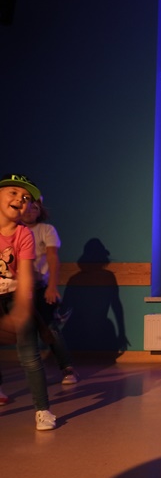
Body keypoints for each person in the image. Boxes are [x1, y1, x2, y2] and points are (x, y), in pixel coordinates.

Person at [0, 174, 56, 429]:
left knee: (30, 356)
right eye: (13, 192)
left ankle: (43, 410)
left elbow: (25, 276)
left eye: (25, 198)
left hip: (15, 295)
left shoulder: (24, 235)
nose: (20, 200)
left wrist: (22, 310)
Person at [21, 197, 79, 385]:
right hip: (19, 289)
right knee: (23, 330)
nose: (30, 211)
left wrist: (52, 287)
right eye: (27, 208)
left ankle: (67, 368)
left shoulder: (46, 230)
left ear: (40, 211)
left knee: (50, 328)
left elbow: (52, 257)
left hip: (40, 287)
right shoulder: (15, 231)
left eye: (34, 208)